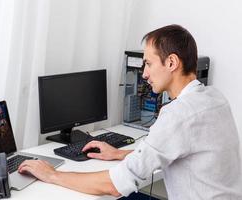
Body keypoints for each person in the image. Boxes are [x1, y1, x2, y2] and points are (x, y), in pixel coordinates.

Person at [18, 24, 242, 199]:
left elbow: (115, 186)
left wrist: (52, 174)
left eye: (149, 64)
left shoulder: (178, 115)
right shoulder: (215, 98)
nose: (144, 74)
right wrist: (119, 154)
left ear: (172, 62)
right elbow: (176, 150)